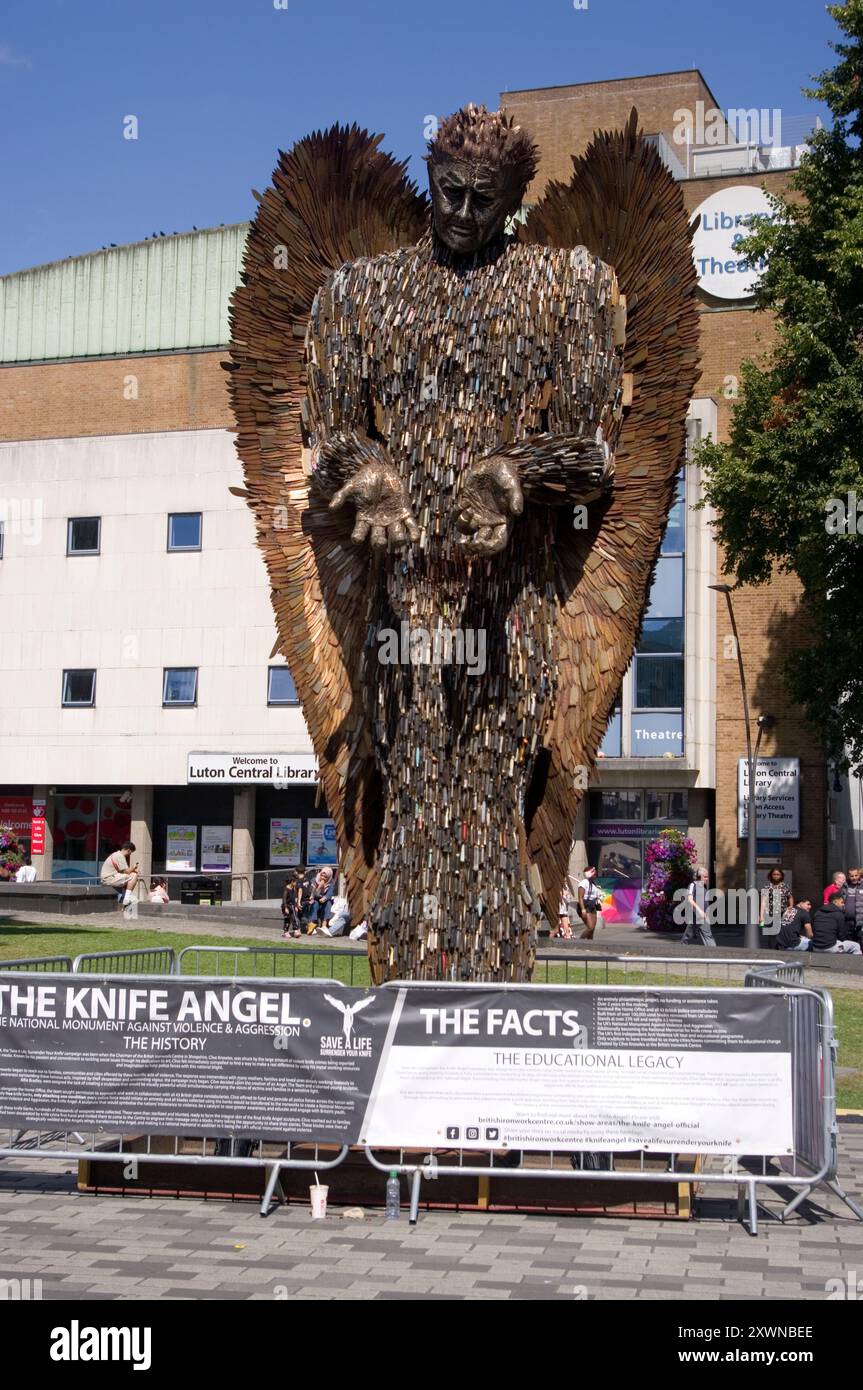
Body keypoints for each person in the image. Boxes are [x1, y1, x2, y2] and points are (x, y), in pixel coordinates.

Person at [811, 890, 862, 954]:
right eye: (842, 902)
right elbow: (841, 935)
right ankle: (854, 964)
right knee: (856, 946)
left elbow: (813, 929)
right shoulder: (838, 914)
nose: (843, 905)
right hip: (830, 947)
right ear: (835, 901)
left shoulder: (818, 912)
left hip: (815, 947)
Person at [681, 865, 717, 947]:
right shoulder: (692, 885)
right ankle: (682, 948)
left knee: (706, 935)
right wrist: (699, 911)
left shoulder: (703, 887)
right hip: (696, 914)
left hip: (702, 916)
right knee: (690, 935)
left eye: (707, 877)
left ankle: (714, 955)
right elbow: (690, 900)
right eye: (705, 877)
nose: (706, 879)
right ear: (699, 876)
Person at [100, 841, 140, 907]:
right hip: (109, 878)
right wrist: (134, 867)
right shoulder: (120, 856)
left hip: (108, 877)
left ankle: (124, 897)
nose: (130, 854)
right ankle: (126, 898)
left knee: (130, 876)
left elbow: (123, 871)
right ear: (129, 850)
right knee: (133, 876)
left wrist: (133, 870)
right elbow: (126, 871)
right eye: (131, 853)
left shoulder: (116, 854)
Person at [760, 867, 792, 935]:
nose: (776, 876)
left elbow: (790, 897)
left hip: (783, 913)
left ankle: (781, 945)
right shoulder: (767, 887)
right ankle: (772, 945)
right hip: (771, 914)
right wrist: (761, 916)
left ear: (781, 876)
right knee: (772, 934)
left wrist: (791, 906)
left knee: (783, 933)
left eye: (778, 874)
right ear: (771, 875)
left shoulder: (785, 886)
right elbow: (763, 902)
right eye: (774, 874)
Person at [306, 865, 335, 931]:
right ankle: (312, 924)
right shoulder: (314, 880)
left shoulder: (331, 882)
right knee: (315, 903)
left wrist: (325, 897)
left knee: (328, 903)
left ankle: (324, 925)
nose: (323, 878)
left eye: (325, 877)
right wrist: (319, 887)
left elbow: (330, 893)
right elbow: (311, 894)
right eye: (322, 875)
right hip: (315, 899)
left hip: (323, 901)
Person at [576, 867, 601, 940]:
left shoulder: (593, 884)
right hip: (585, 905)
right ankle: (580, 941)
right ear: (589, 874)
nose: (595, 875)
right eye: (594, 874)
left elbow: (595, 895)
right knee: (590, 927)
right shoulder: (583, 883)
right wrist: (583, 909)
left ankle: (590, 943)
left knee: (592, 929)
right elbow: (580, 897)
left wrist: (599, 897)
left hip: (593, 906)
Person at [841, 866, 863, 944]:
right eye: (852, 876)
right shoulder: (844, 886)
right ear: (848, 876)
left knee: (860, 943)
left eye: (856, 875)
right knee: (848, 943)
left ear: (859, 875)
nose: (854, 878)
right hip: (847, 921)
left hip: (860, 921)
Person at [281, 871, 305, 939]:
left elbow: (294, 898)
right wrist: (285, 908)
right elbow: (284, 899)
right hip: (287, 906)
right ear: (291, 882)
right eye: (295, 882)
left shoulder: (293, 889)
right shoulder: (286, 889)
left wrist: (296, 906)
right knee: (287, 919)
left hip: (292, 906)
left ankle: (296, 931)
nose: (296, 883)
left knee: (294, 918)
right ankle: (286, 932)